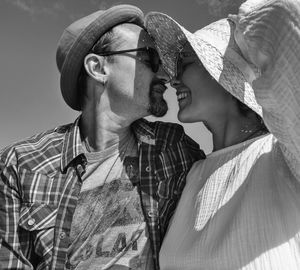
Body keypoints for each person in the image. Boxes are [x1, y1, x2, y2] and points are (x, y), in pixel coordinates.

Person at [0, 5, 204, 270]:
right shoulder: (21, 165)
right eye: (150, 58)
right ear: (97, 67)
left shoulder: (174, 147)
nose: (164, 75)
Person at [145, 0, 300, 268]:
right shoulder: (192, 173)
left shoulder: (284, 153)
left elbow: (286, 17)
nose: (174, 80)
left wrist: (243, 28)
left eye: (186, 65)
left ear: (226, 71)